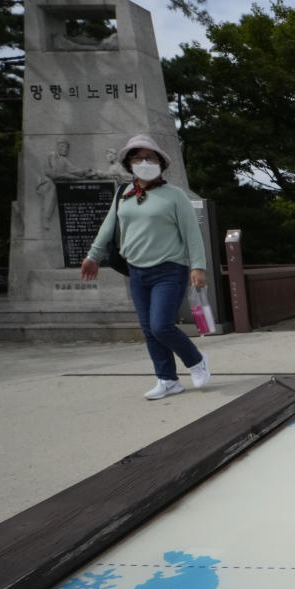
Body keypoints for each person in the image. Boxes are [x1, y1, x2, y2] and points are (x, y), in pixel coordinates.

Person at [79, 134, 212, 400]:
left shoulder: (174, 195)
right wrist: (93, 255)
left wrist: (198, 266)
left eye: (150, 157)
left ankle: (196, 360)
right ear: (129, 163)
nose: (144, 162)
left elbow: (192, 234)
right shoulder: (124, 193)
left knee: (161, 326)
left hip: (169, 269)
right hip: (137, 271)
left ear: (160, 162)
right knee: (150, 330)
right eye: (138, 157)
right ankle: (167, 379)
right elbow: (109, 227)